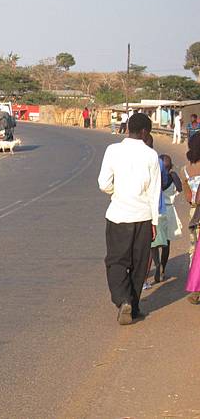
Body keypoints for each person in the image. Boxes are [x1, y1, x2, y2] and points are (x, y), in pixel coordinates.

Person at [98, 113, 161, 325]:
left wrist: (118, 192)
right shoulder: (151, 155)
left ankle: (122, 300)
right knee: (139, 265)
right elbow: (155, 192)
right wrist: (154, 222)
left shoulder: (112, 151)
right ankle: (133, 308)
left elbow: (103, 183)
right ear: (145, 132)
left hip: (118, 215)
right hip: (143, 217)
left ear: (128, 129)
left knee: (116, 261)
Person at [151, 154, 182, 283]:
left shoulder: (156, 178)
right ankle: (163, 268)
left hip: (156, 210)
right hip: (169, 211)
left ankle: (157, 264)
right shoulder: (173, 176)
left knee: (153, 242)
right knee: (166, 243)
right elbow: (180, 189)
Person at [181, 132, 200, 304]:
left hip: (194, 213)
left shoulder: (185, 170)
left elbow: (188, 198)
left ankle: (195, 287)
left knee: (194, 249)